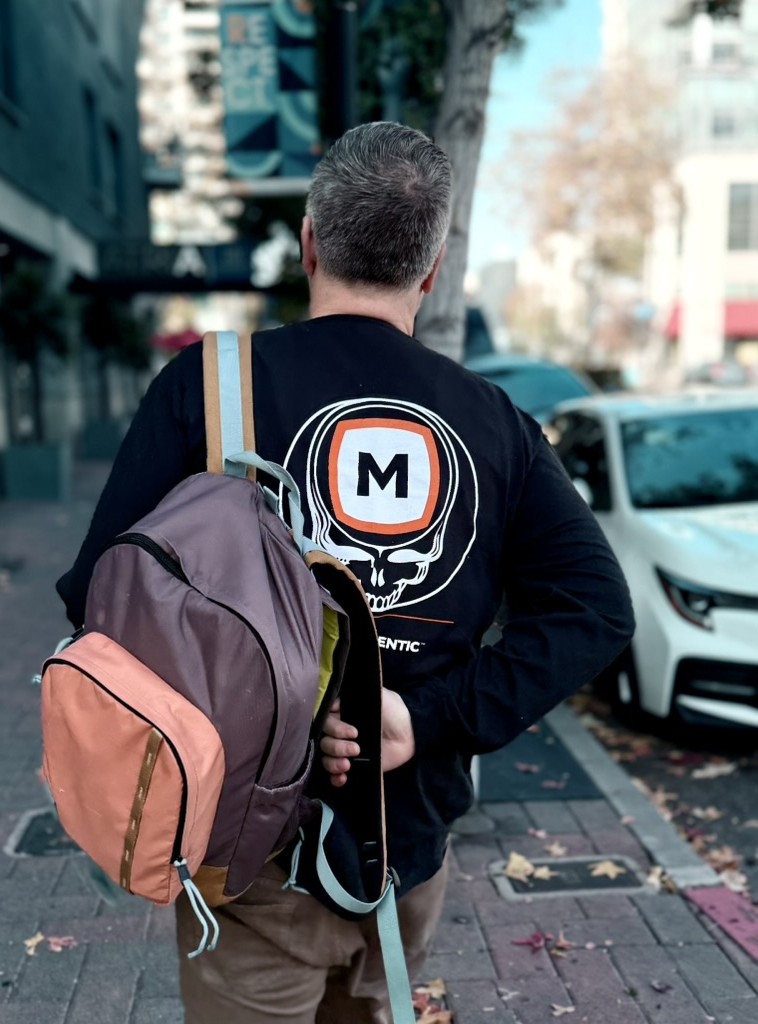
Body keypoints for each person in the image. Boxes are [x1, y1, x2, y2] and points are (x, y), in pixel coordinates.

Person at [56, 121, 634, 1024]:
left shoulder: (210, 387)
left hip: (249, 864)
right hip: (409, 856)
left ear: (310, 242)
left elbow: (99, 593)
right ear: (434, 267)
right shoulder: (497, 423)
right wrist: (423, 715)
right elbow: (596, 611)